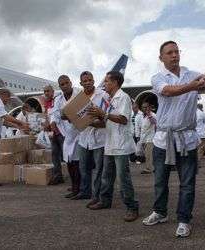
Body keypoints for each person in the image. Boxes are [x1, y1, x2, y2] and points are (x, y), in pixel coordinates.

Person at [142, 41, 205, 237]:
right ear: (161, 57)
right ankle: (160, 212)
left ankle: (184, 219)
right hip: (163, 139)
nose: (174, 55)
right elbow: (167, 91)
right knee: (160, 180)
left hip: (187, 139)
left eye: (176, 51)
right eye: (169, 53)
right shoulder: (158, 78)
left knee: (187, 182)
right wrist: (193, 86)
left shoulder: (194, 74)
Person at [88, 71, 139, 222]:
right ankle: (105, 200)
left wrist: (103, 114)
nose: (104, 84)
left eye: (107, 81)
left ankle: (132, 207)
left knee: (123, 178)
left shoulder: (123, 97)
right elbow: (105, 122)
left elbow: (123, 119)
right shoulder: (108, 99)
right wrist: (85, 122)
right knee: (106, 175)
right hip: (110, 143)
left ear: (115, 82)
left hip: (121, 145)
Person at [75, 71, 107, 205]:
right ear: (81, 83)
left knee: (99, 169)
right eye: (85, 81)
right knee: (83, 167)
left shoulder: (103, 95)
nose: (88, 83)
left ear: (94, 81)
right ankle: (85, 191)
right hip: (83, 138)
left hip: (99, 138)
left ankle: (97, 195)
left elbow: (105, 116)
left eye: (90, 80)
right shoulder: (78, 98)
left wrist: (91, 121)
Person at [50, 75, 81, 198]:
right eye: (62, 84)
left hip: (80, 134)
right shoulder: (58, 99)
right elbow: (55, 113)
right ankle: (75, 187)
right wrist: (52, 122)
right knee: (69, 162)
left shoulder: (79, 94)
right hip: (67, 135)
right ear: (60, 86)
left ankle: (79, 188)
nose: (65, 86)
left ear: (70, 83)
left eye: (66, 83)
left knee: (79, 163)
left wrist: (69, 116)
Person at [139, 102, 157, 174]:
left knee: (149, 154)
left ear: (150, 107)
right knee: (147, 154)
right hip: (144, 138)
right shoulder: (143, 116)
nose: (145, 109)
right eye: (144, 107)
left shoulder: (153, 115)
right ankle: (150, 167)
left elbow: (155, 122)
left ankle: (149, 168)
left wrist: (149, 115)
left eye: (146, 107)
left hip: (150, 139)